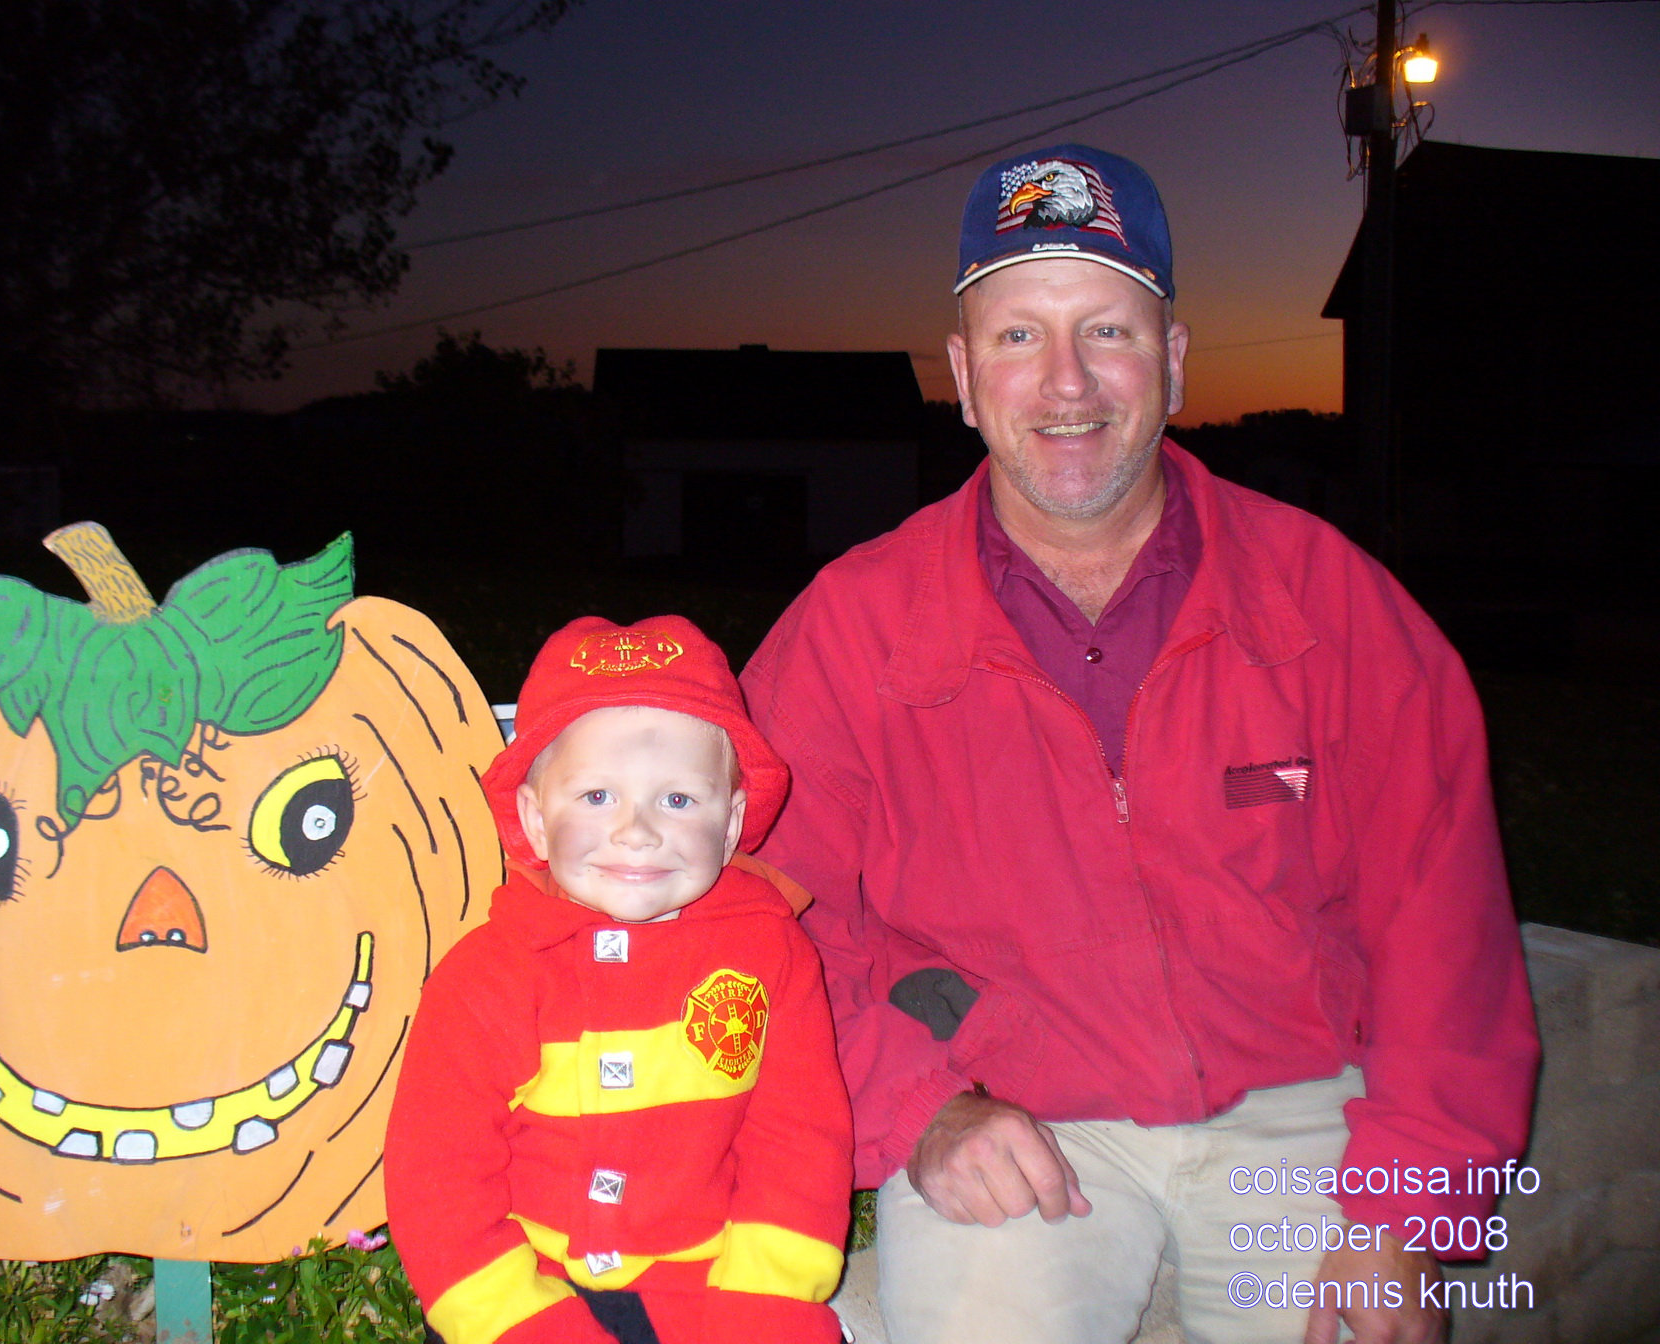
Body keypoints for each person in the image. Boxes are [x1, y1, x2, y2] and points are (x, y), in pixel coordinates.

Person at [740, 144, 1539, 1344]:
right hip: (1010, 1112)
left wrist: (1409, 1199)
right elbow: (762, 915)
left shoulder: (1337, 605)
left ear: (1169, 361)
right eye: (1016, 337)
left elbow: (1445, 926)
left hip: (1303, 1106)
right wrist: (919, 1111)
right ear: (961, 377)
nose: (1066, 382)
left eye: (1106, 331)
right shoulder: (851, 628)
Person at [385, 615, 852, 1344]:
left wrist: (767, 1305)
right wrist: (519, 1321)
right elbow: (437, 1180)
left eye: (677, 799)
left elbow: (798, 1146)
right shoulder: (484, 979)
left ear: (730, 825)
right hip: (521, 1296)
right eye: (597, 797)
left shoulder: (773, 957)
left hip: (714, 1291)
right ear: (536, 822)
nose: (637, 831)